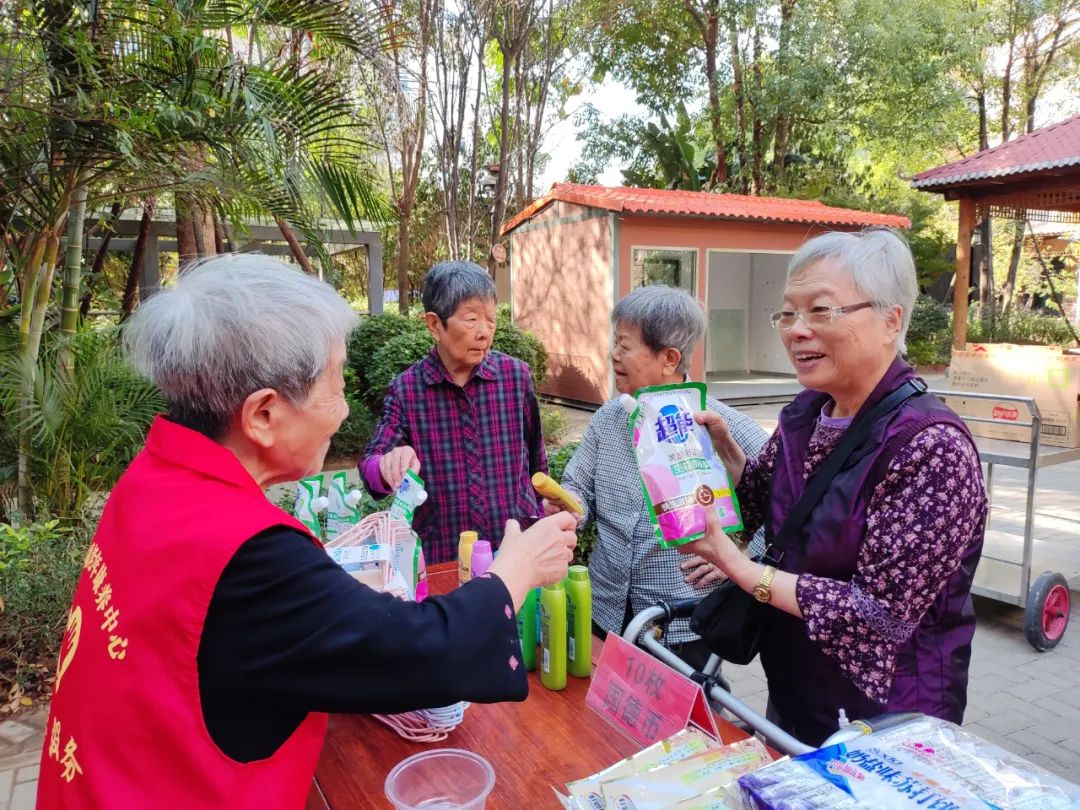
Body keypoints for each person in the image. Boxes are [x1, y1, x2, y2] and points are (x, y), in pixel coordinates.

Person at [37, 255, 577, 809]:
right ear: (263, 415)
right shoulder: (249, 552)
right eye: (335, 381)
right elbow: (422, 654)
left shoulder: (152, 481)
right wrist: (515, 570)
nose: (343, 412)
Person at [683, 228, 987, 746]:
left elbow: (879, 613)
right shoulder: (806, 413)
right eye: (787, 313)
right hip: (797, 687)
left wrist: (736, 566)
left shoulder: (932, 448)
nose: (796, 331)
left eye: (821, 310)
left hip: (888, 717)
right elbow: (762, 498)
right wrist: (725, 456)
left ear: (891, 319)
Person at [545, 286, 767, 669]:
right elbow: (578, 485)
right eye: (615, 342)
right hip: (604, 611)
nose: (614, 354)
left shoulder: (716, 425)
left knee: (677, 726)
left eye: (626, 345)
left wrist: (743, 558)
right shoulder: (608, 419)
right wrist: (567, 507)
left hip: (682, 624)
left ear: (669, 358)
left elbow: (787, 502)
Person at [359, 261, 546, 564]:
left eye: (491, 320)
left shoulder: (515, 377)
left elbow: (537, 456)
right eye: (471, 319)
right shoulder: (408, 390)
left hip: (513, 550)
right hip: (442, 555)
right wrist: (385, 466)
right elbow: (371, 470)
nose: (484, 333)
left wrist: (539, 515)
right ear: (435, 324)